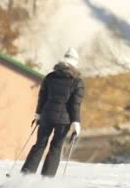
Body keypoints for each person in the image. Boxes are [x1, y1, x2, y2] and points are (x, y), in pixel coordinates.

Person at [21, 47, 84, 177]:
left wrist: (38, 114)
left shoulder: (50, 77)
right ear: (75, 64)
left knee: (39, 145)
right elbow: (75, 105)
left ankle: (25, 176)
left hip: (46, 116)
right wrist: (76, 123)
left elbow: (42, 97)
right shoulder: (77, 82)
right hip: (63, 121)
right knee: (55, 148)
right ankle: (47, 179)